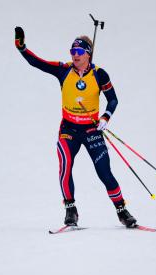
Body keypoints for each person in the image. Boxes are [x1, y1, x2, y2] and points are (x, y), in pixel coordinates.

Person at [14, 26, 138, 228]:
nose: (74, 55)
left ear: (88, 54)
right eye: (72, 51)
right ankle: (70, 209)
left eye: (79, 52)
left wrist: (105, 117)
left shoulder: (100, 75)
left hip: (91, 130)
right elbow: (37, 63)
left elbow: (113, 99)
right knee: (65, 165)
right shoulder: (63, 70)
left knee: (104, 172)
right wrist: (21, 47)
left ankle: (122, 211)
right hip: (69, 130)